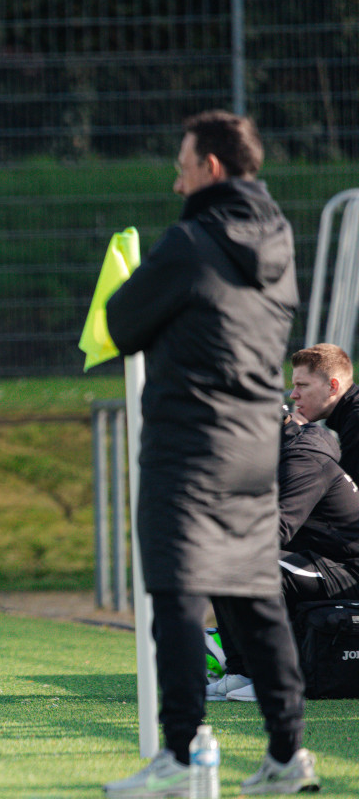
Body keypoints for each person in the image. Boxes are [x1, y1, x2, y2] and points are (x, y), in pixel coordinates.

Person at [102, 110, 319, 796]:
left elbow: (121, 320)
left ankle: (177, 755)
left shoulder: (190, 242)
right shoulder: (281, 243)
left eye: (183, 165)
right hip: (257, 448)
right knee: (256, 599)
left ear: (212, 169)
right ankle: (288, 755)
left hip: (189, 446)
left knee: (176, 594)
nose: (176, 180)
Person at [208, 408, 359, 702]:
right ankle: (243, 672)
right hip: (318, 558)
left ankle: (274, 677)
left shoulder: (303, 459)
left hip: (348, 569)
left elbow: (278, 529)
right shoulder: (269, 457)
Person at [289, 343, 359, 478]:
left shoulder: (356, 421)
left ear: (332, 387)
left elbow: (347, 493)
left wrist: (306, 438)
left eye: (302, 385)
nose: (293, 395)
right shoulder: (350, 416)